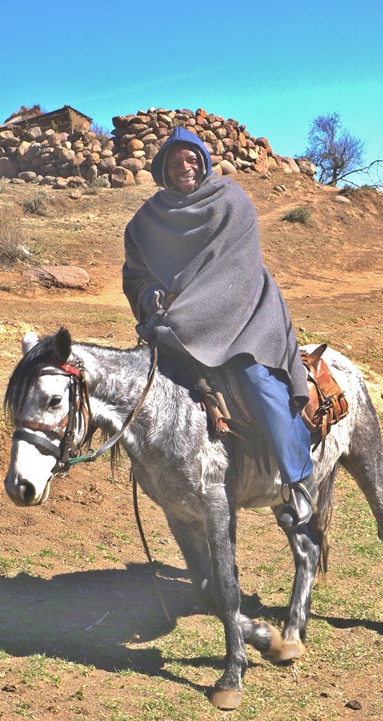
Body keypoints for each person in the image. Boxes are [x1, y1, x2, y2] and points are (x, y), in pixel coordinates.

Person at [122, 126, 318, 527]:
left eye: (191, 159)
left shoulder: (231, 200)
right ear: (163, 169)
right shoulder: (146, 221)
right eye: (175, 162)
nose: (184, 167)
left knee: (259, 381)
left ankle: (299, 481)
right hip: (178, 325)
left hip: (244, 314)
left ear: (203, 161)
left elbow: (239, 270)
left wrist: (192, 309)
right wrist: (150, 296)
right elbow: (137, 275)